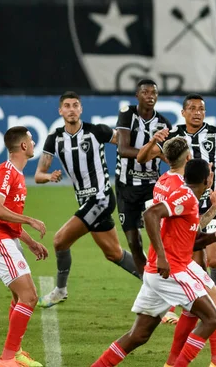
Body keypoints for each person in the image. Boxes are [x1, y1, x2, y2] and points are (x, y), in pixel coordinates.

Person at [91, 159, 216, 367]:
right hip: (171, 272)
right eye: (211, 172)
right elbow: (150, 213)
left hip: (157, 273)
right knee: (213, 319)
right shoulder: (187, 198)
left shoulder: (189, 199)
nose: (212, 174)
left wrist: (215, 235)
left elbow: (191, 241)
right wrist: (161, 256)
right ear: (207, 179)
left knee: (138, 335)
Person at [137, 93, 216, 329]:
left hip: (212, 204)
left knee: (215, 259)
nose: (197, 112)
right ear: (183, 113)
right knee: (196, 263)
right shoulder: (173, 136)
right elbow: (142, 158)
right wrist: (152, 141)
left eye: (201, 109)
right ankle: (203, 312)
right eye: (193, 108)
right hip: (183, 206)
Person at [35, 92, 140, 308]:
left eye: (75, 105)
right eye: (67, 105)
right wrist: (49, 176)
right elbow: (38, 175)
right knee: (114, 253)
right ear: (60, 111)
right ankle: (155, 281)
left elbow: (125, 145)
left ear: (81, 109)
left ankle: (60, 290)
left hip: (101, 198)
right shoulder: (54, 138)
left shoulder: (97, 131)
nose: (71, 109)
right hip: (85, 202)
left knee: (59, 241)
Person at [0, 126, 48, 367]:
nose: (32, 143)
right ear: (23, 146)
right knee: (29, 297)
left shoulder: (16, 174)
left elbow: (6, 216)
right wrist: (30, 220)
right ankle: (7, 359)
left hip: (7, 238)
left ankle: (15, 352)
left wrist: (29, 242)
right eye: (30, 140)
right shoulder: (6, 173)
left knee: (21, 297)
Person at [115, 79, 172, 278]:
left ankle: (165, 280)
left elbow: (169, 156)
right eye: (146, 92)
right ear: (137, 95)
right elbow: (123, 149)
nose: (150, 96)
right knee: (133, 242)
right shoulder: (127, 114)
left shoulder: (164, 123)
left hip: (152, 188)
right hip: (126, 187)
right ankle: (147, 283)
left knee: (158, 237)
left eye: (154, 93)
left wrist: (164, 155)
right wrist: (152, 151)